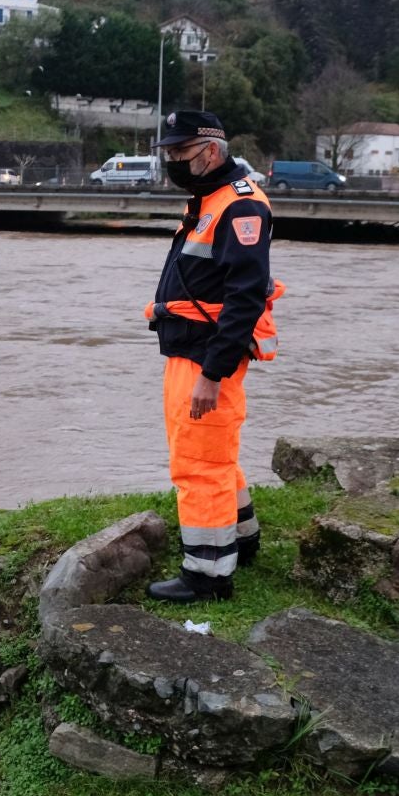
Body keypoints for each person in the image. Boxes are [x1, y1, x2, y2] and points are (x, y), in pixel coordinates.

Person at [144, 110, 273, 603]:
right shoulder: (209, 198)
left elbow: (245, 298)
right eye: (171, 154)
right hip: (191, 349)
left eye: (180, 154)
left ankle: (208, 575)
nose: (173, 163)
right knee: (215, 454)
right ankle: (242, 539)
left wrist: (213, 374)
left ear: (211, 152)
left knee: (198, 465)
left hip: (206, 356)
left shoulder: (239, 208)